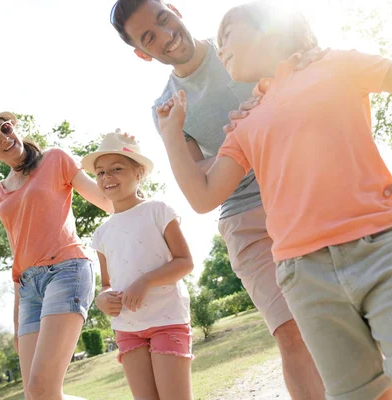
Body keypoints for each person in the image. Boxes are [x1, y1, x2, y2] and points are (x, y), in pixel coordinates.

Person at [155, 2, 392, 399]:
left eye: (227, 35)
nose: (219, 47)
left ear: (270, 30)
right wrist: (172, 135)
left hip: (378, 248)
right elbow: (204, 197)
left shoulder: (335, 64)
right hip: (304, 277)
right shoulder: (244, 121)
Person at [110, 1, 326, 397]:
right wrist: (233, 145)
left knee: (339, 318)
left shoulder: (241, 44)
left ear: (175, 9)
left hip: (303, 192)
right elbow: (200, 183)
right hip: (244, 218)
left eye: (163, 19)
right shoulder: (166, 109)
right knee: (291, 333)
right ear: (142, 52)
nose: (166, 35)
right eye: (149, 37)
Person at [0, 107, 114, 400]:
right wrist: (18, 316)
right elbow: (17, 251)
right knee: (36, 395)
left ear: (13, 126)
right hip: (28, 288)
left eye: (4, 129)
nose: (3, 139)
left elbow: (105, 201)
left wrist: (128, 186)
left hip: (66, 271)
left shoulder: (55, 158)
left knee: (43, 387)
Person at [82, 131, 194, 400]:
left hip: (167, 320)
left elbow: (185, 262)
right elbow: (108, 284)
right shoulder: (101, 234)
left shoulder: (159, 210)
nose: (107, 177)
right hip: (127, 328)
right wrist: (102, 298)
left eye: (116, 169)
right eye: (100, 173)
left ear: (139, 173)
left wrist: (145, 281)